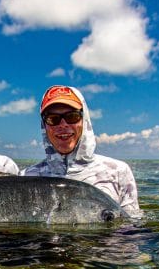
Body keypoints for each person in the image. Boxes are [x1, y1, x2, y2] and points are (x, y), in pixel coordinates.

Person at [22, 85, 140, 217]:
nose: (63, 125)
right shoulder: (25, 177)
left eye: (72, 116)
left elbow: (131, 228)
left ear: (84, 120)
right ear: (44, 125)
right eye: (53, 119)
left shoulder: (118, 172)